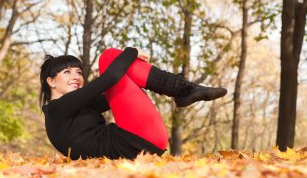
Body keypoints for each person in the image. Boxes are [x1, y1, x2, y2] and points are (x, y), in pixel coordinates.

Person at [40, 47, 227, 160]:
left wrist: (131, 67)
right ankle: (185, 90)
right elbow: (111, 77)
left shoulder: (78, 107)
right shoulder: (57, 109)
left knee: (120, 66)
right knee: (109, 56)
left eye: (78, 72)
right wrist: (132, 52)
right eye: (67, 72)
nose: (76, 77)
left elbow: (118, 86)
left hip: (145, 143)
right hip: (136, 142)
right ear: (51, 82)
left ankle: (185, 90)